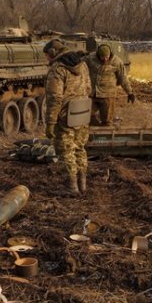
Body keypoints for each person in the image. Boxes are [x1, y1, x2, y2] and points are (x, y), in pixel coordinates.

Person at [43, 39, 92, 195]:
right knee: (80, 148)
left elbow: (54, 98)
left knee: (65, 151)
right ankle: (82, 185)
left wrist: (50, 122)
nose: (47, 59)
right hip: (83, 112)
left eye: (47, 56)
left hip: (65, 116)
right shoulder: (82, 65)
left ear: (52, 53)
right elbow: (89, 88)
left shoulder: (57, 69)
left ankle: (71, 187)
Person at [85, 43, 135, 126]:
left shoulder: (116, 61)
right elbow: (79, 65)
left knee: (107, 122)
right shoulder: (90, 58)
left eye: (107, 57)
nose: (105, 59)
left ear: (110, 54)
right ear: (98, 55)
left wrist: (130, 93)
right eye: (102, 57)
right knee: (86, 117)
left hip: (108, 96)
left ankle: (105, 136)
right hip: (92, 94)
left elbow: (123, 78)